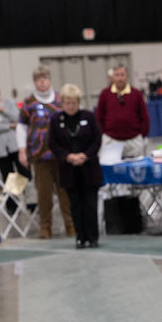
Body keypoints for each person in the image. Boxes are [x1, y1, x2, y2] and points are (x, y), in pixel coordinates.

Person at [16, 65, 74, 239]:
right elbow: (21, 127)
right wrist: (22, 150)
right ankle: (45, 226)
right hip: (40, 155)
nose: (41, 82)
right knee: (44, 193)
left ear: (49, 80)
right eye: (38, 79)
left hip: (62, 154)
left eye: (44, 78)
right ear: (34, 82)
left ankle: (71, 225)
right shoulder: (29, 103)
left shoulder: (60, 99)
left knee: (65, 191)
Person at [48, 83, 103, 248]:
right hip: (69, 170)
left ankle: (93, 237)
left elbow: (97, 139)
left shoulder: (89, 116)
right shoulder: (56, 120)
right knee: (75, 205)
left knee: (90, 205)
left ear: (78, 102)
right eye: (67, 102)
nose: (70, 106)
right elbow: (53, 143)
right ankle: (80, 236)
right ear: (62, 103)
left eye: (73, 102)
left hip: (89, 168)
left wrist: (85, 155)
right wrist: (68, 156)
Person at [95, 63, 149, 158]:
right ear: (113, 77)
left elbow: (144, 117)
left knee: (135, 170)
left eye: (122, 75)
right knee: (111, 169)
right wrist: (104, 134)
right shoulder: (105, 94)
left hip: (134, 141)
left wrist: (141, 136)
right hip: (111, 140)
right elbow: (99, 117)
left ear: (127, 76)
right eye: (117, 75)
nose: (120, 78)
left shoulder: (137, 94)